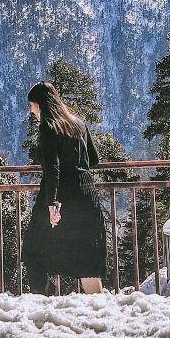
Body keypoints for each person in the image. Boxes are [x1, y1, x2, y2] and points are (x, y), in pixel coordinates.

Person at [20, 81, 107, 294]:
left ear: (40, 105)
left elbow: (53, 169)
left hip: (60, 195)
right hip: (86, 194)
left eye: (32, 105)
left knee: (34, 250)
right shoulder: (79, 124)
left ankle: (44, 301)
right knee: (87, 256)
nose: (31, 110)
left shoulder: (49, 127)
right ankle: (101, 311)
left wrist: (52, 205)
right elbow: (93, 159)